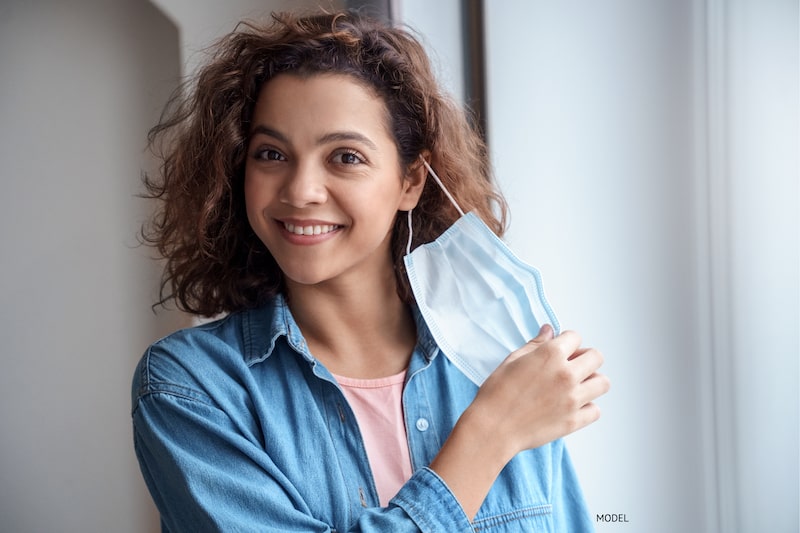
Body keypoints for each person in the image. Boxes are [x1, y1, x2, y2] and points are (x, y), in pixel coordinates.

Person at [132, 9, 610, 532]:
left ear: (410, 181)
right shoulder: (191, 387)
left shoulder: (503, 356)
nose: (300, 191)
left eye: (345, 157)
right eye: (271, 153)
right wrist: (490, 435)